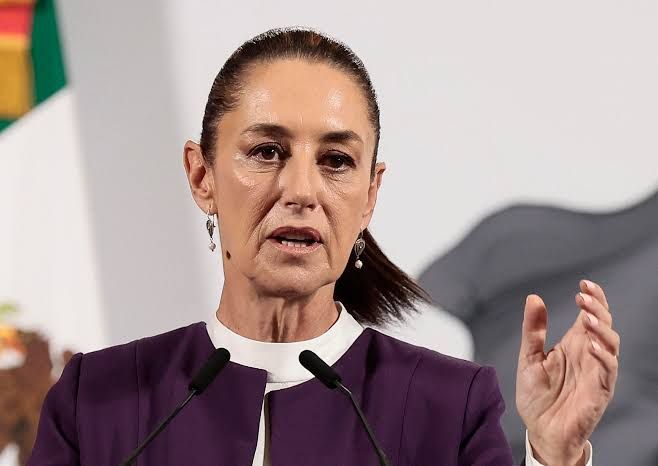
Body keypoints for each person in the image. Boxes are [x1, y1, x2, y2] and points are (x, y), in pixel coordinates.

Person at [28, 27, 620, 466]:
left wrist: (554, 456)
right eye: (266, 152)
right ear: (201, 175)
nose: (302, 191)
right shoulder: (96, 399)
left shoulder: (448, 406)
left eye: (336, 160)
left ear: (370, 195)